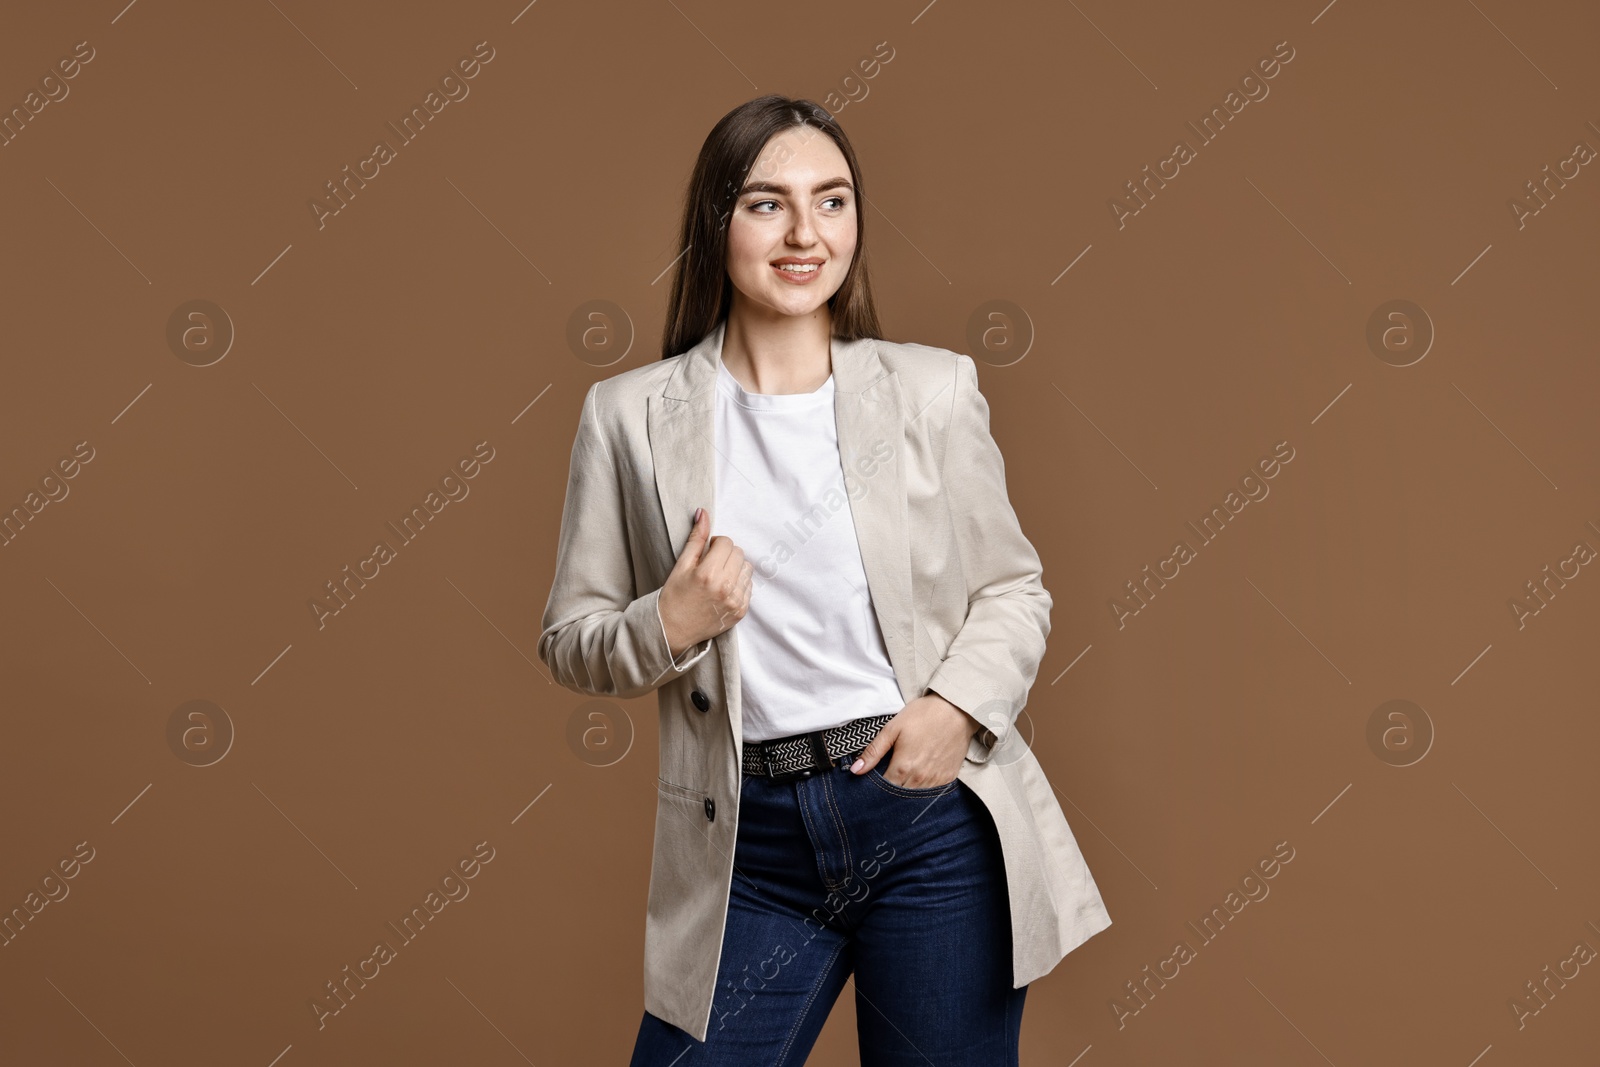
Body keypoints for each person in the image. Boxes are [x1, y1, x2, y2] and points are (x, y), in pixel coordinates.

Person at [538, 94, 1112, 1066]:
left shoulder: (930, 389)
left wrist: (956, 708)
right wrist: (670, 621)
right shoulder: (629, 415)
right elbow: (572, 638)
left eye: (833, 201)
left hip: (926, 823)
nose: (806, 232)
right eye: (767, 203)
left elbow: (1013, 588)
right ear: (716, 220)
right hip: (745, 846)